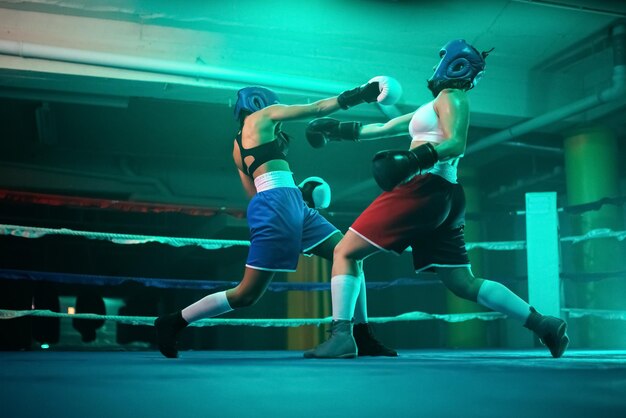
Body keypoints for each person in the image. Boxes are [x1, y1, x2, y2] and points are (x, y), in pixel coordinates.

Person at [303, 39, 569, 359]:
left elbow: (456, 143)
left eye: (439, 61)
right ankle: (544, 325)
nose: (434, 68)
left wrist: (414, 161)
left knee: (345, 251)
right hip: (445, 195)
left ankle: (343, 336)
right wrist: (339, 130)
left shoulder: (453, 97)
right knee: (461, 282)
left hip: (424, 188)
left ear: (455, 65)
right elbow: (387, 126)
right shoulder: (432, 107)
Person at [154, 79, 401, 358]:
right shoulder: (262, 116)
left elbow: (254, 191)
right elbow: (317, 108)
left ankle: (358, 335)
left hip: (287, 203)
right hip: (276, 207)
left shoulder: (238, 148)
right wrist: (362, 94)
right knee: (246, 295)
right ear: (261, 104)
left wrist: (296, 199)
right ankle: (173, 321)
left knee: (350, 253)